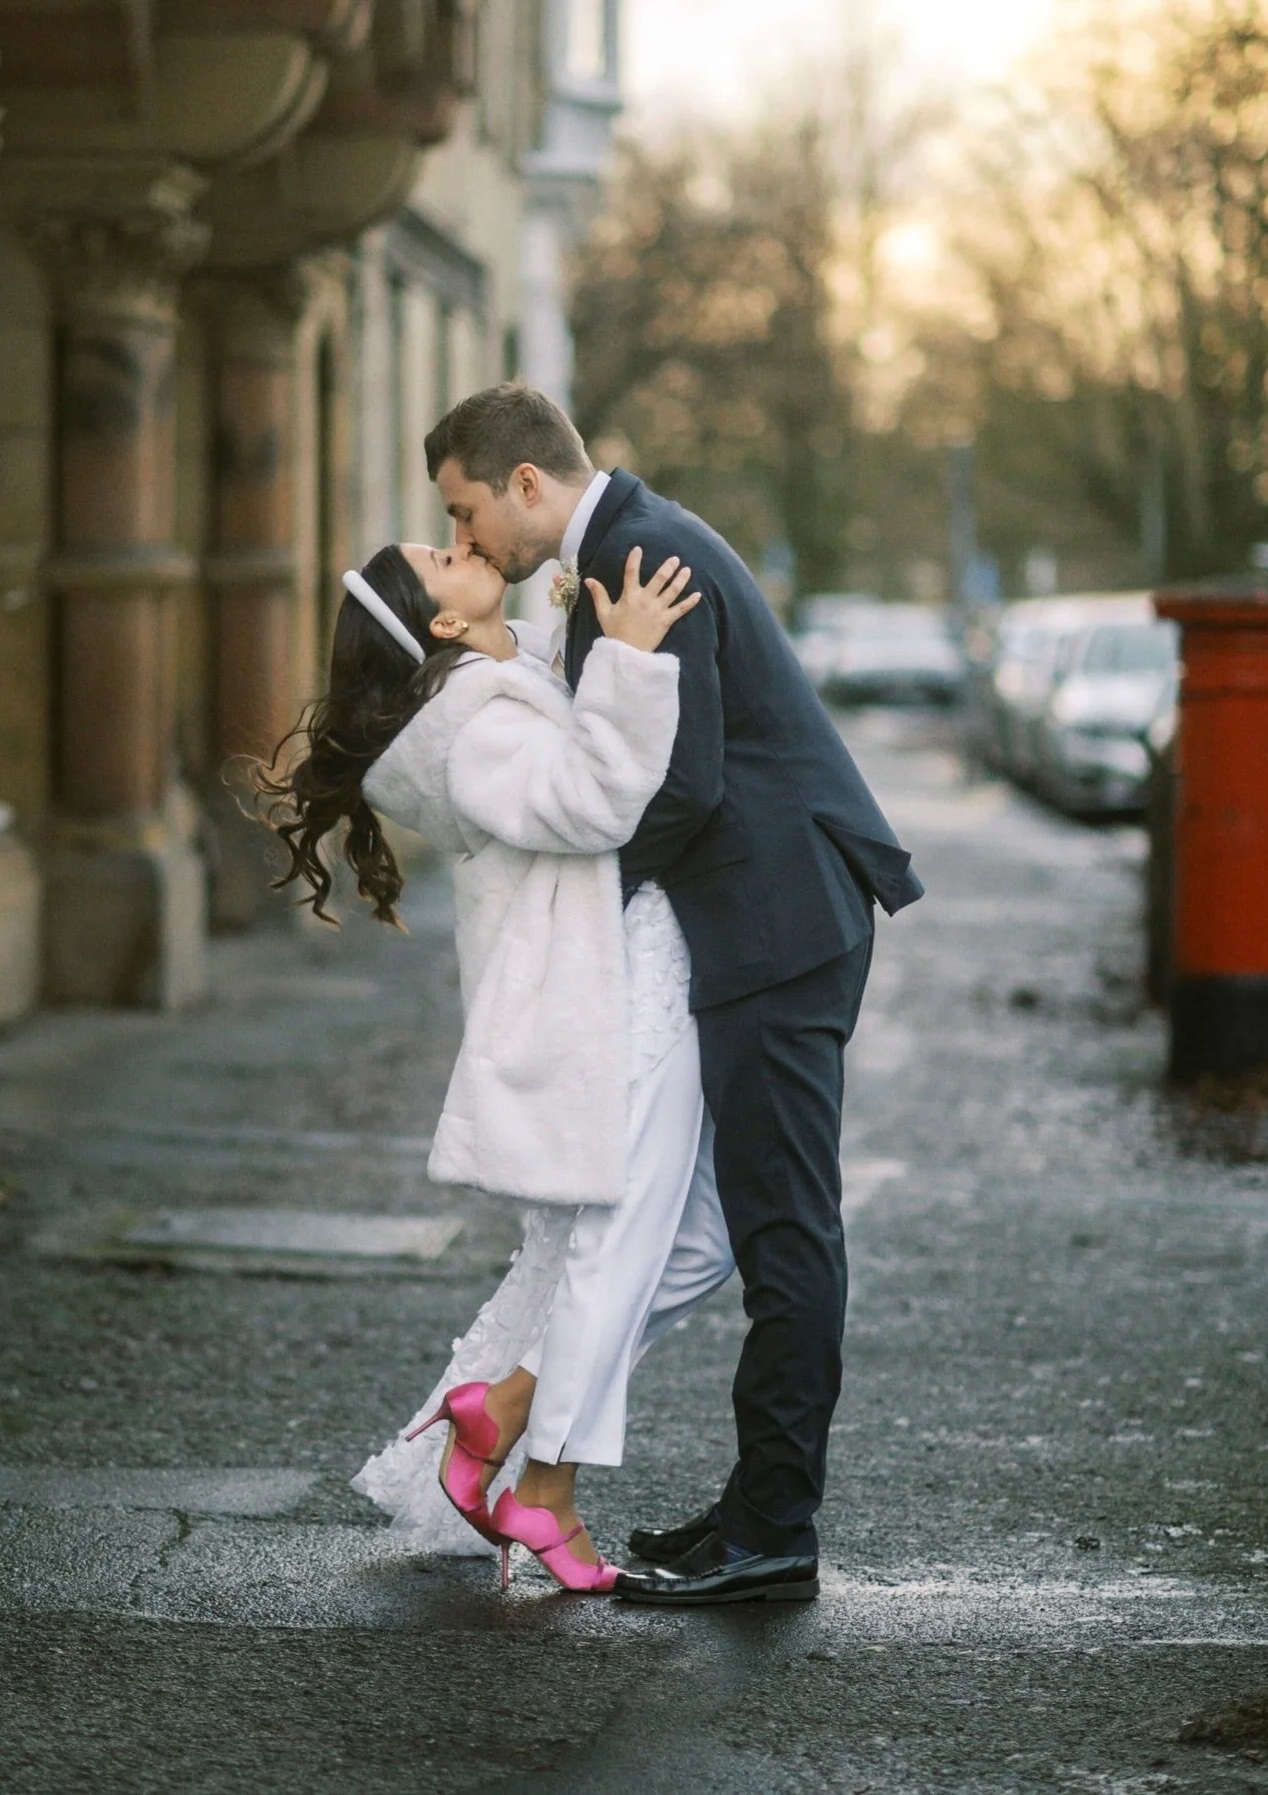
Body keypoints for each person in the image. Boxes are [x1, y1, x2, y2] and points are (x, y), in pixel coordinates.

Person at [424, 383, 924, 1606]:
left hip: (779, 924)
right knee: (729, 1229)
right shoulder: (619, 552)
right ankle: (741, 1509)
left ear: (526, 483)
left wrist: (574, 902)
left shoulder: (642, 555)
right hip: (757, 922)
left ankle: (774, 1536)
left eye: (466, 509)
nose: (468, 534)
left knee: (784, 1233)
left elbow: (681, 786)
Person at [261, 538, 735, 1594]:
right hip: (602, 1002)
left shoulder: (489, 682)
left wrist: (575, 628)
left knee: (692, 1245)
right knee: (635, 1247)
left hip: (627, 975)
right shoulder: (468, 730)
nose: (460, 540)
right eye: (440, 553)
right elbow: (593, 800)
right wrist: (632, 657)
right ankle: (536, 1478)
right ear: (437, 623)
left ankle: (510, 1403)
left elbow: (534, 676)